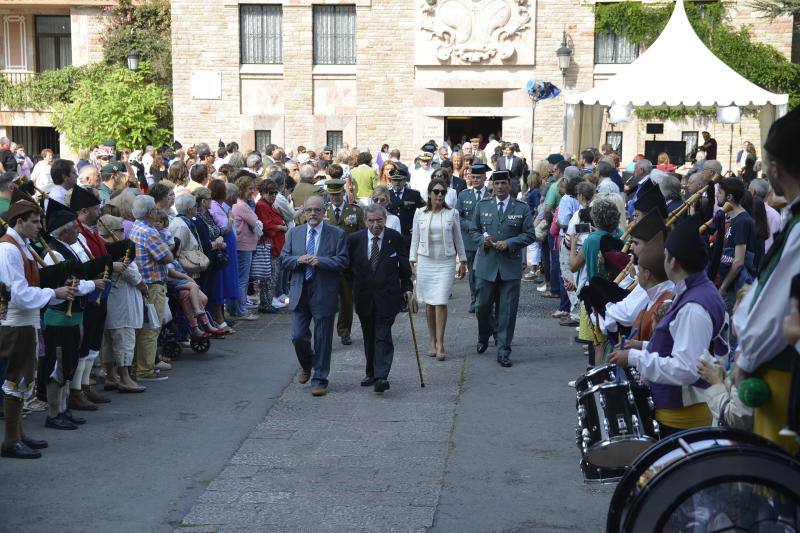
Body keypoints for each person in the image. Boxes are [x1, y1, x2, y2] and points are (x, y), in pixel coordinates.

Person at [610, 218, 727, 437]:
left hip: (683, 416)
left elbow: (686, 368)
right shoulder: (699, 292)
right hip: (681, 411)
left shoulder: (694, 306)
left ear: (673, 262)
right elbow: (684, 345)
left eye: (665, 256)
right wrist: (644, 346)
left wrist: (635, 358)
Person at [733, 107, 800, 454]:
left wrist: (744, 362)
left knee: (774, 487)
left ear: (775, 168)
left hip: (782, 379)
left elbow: (777, 305)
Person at [0, 201, 76, 457]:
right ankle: (11, 440)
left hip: (26, 321)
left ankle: (18, 434)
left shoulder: (21, 246)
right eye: (33, 221)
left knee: (23, 380)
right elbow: (18, 295)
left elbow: (32, 287)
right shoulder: (8, 250)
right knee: (16, 381)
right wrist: (53, 292)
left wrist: (57, 291)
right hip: (16, 323)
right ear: (19, 221)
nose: (38, 227)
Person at [280, 196, 348, 397]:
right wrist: (298, 260)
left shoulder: (337, 234)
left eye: (317, 210)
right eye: (309, 210)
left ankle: (320, 379)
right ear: (304, 212)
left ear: (323, 211)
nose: (312, 213)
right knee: (298, 336)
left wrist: (321, 261)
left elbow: (343, 261)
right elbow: (284, 259)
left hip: (323, 290)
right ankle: (307, 364)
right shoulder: (295, 233)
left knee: (323, 338)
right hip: (300, 290)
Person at [469, 170, 535, 367]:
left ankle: (503, 349)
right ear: (492, 185)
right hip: (486, 264)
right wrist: (483, 240)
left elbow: (530, 234)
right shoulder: (482, 206)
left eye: (503, 183)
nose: (499, 187)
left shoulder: (521, 208)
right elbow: (473, 230)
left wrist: (510, 243)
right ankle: (484, 335)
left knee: (507, 311)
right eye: (496, 183)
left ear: (509, 185)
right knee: (482, 307)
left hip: (509, 266)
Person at [346, 204, 413, 393]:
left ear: (385, 219)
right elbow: (347, 269)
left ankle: (382, 376)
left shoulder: (394, 238)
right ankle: (371, 372)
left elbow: (404, 267)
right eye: (371, 221)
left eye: (379, 220)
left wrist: (407, 287)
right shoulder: (355, 240)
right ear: (365, 221)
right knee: (369, 334)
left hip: (388, 296)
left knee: (383, 334)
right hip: (364, 296)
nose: (376, 224)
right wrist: (355, 287)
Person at [410, 178, 467, 361]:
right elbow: (415, 238)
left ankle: (441, 342)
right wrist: (412, 259)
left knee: (441, 301)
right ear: (429, 194)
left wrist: (463, 260)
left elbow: (458, 238)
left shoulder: (453, 213)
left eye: (443, 192)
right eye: (436, 192)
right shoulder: (420, 213)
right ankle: (432, 339)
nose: (440, 195)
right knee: (429, 303)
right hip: (426, 261)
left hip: (446, 261)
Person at [97, 215, 147, 394]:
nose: (122, 232)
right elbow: (132, 274)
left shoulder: (99, 246)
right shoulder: (116, 248)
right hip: (122, 302)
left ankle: (111, 376)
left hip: (109, 300)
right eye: (119, 229)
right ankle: (125, 378)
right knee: (124, 340)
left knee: (108, 342)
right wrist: (144, 287)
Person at [130, 195, 174, 381]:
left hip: (141, 282)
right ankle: (145, 369)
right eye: (154, 210)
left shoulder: (134, 227)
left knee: (141, 328)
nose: (157, 212)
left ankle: (136, 366)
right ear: (150, 212)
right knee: (151, 328)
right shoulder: (149, 232)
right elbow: (167, 257)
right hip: (152, 283)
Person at [323, 178, 365, 345]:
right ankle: (324, 331)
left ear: (343, 193)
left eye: (338, 194)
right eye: (332, 195)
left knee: (346, 300)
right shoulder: (324, 211)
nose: (335, 197)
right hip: (327, 262)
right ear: (328, 194)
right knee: (326, 299)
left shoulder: (355, 211)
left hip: (347, 262)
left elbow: (362, 233)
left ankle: (344, 331)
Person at [715, 177, 760, 307]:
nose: (717, 194)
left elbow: (739, 261)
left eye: (720, 192)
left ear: (729, 197)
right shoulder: (734, 218)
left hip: (735, 289)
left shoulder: (742, 221)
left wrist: (722, 288)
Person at [456, 163, 489, 313]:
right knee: (473, 273)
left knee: (485, 271)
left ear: (485, 178)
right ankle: (474, 299)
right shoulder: (464, 195)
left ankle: (485, 299)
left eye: (478, 177)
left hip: (487, 240)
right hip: (469, 240)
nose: (475, 180)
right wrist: (471, 225)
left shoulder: (491, 194)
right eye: (473, 177)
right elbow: (458, 216)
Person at [231, 176, 260, 320]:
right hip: (244, 246)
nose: (252, 191)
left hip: (239, 245)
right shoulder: (242, 205)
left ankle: (233, 309)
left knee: (236, 278)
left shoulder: (237, 204)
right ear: (241, 189)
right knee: (242, 279)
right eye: (250, 189)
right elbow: (256, 222)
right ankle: (242, 311)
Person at [388, 170, 425, 245]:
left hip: (409, 234)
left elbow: (424, 211)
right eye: (395, 180)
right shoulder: (386, 195)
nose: (397, 182)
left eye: (400, 180)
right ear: (391, 180)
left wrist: (419, 225)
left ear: (405, 180)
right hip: (390, 234)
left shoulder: (414, 194)